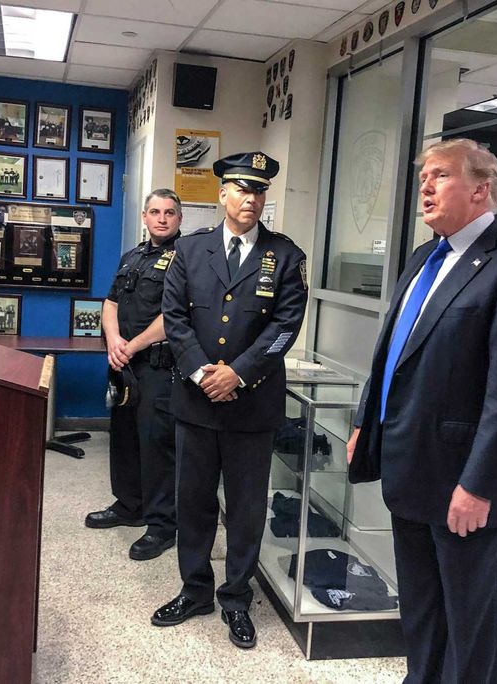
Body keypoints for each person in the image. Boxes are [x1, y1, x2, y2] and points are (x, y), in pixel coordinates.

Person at [346, 138, 497, 683]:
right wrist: (365, 425)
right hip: (411, 467)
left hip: (466, 484)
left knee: (470, 628)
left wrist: (480, 484)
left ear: (481, 190)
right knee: (421, 613)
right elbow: (393, 352)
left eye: (440, 176)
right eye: (424, 178)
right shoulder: (424, 258)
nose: (426, 187)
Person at [153, 152, 308, 649]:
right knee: (193, 502)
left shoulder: (286, 257)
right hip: (196, 402)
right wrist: (203, 372)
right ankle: (195, 589)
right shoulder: (190, 250)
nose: (251, 198)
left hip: (252, 405)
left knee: (245, 509)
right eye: (242, 189)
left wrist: (237, 375)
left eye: (259, 191)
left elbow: (286, 327)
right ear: (222, 195)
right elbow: (174, 318)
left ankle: (237, 597)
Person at [84, 188, 182, 561]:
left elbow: (174, 316)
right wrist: (113, 341)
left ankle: (161, 525)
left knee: (157, 445)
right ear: (144, 217)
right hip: (123, 363)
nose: (161, 218)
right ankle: (129, 505)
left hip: (157, 365)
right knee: (123, 437)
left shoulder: (184, 258)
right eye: (155, 211)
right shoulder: (133, 256)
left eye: (169, 213)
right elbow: (110, 302)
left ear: (178, 219)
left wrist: (133, 344)